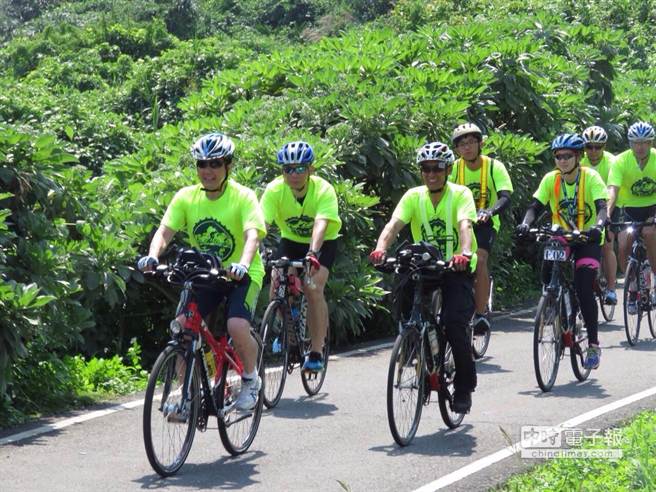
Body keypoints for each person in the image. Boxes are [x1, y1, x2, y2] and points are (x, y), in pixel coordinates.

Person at [137, 132, 266, 411]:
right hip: (206, 273)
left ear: (227, 166)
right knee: (184, 327)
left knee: (237, 325)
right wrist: (152, 256)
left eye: (215, 164)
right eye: (202, 165)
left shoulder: (243, 196)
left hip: (242, 273)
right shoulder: (186, 197)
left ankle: (250, 379)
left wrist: (242, 264)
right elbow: (165, 231)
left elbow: (252, 235)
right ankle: (189, 397)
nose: (207, 171)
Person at [370, 141, 477, 414]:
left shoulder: (461, 194)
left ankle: (463, 386)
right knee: (402, 292)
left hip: (456, 268)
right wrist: (381, 248)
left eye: (437, 168)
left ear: (448, 169)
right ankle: (412, 339)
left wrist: (464, 253)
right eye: (426, 169)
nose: (432, 174)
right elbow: (393, 226)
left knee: (454, 324)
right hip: (425, 267)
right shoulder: (413, 196)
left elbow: (465, 225)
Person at [516, 134, 608, 369]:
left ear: (578, 157)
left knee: (584, 287)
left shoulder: (591, 177)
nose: (563, 160)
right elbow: (534, 206)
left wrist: (598, 227)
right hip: (563, 235)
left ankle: (594, 345)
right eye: (558, 156)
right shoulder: (551, 179)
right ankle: (554, 300)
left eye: (568, 156)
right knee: (548, 267)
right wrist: (526, 223)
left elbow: (601, 208)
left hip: (588, 237)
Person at [260, 141, 341, 372]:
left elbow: (321, 224)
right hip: (291, 241)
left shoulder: (323, 189)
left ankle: (316, 351)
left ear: (310, 169)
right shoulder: (275, 190)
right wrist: (256, 247)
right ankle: (286, 323)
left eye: (299, 168)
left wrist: (313, 253)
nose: (293, 174)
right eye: (288, 169)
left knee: (313, 288)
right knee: (277, 282)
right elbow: (261, 224)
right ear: (282, 171)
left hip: (323, 242)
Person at [450, 123, 513, 335]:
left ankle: (480, 313)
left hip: (485, 224)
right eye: (462, 144)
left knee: (480, 259)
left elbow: (505, 196)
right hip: (459, 223)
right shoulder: (453, 168)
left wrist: (490, 211)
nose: (467, 148)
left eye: (471, 142)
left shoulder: (494, 166)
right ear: (456, 149)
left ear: (480, 144)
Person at [607, 121, 656, 315]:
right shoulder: (620, 161)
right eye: (636, 142)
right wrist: (607, 216)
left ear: (651, 143)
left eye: (645, 142)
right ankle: (632, 286)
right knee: (623, 242)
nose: (641, 146)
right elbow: (612, 190)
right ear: (630, 144)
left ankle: (654, 274)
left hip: (652, 207)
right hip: (628, 208)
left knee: (650, 232)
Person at [581, 125, 619, 305]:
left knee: (607, 245)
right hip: (588, 208)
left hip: (610, 205)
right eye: (589, 147)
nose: (593, 151)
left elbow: (612, 190)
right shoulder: (579, 162)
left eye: (598, 146)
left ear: (604, 146)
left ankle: (611, 289)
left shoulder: (613, 162)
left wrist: (607, 214)